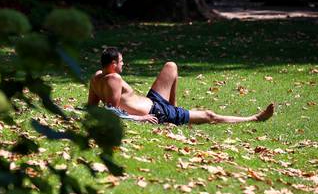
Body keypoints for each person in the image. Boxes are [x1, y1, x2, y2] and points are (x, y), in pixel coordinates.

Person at [87, 47, 274, 125]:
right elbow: (111, 112)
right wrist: (141, 119)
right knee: (209, 115)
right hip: (158, 113)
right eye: (121, 62)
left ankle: (174, 108)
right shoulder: (115, 80)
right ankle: (255, 118)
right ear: (112, 64)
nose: (123, 64)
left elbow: (91, 108)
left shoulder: (96, 77)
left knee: (171, 66)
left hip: (154, 101)